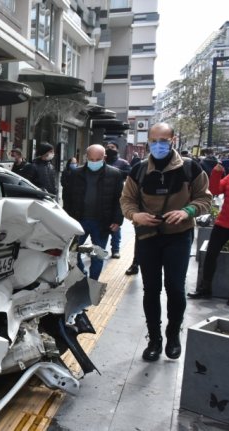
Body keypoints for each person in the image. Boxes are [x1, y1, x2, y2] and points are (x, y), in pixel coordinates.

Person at [120, 122, 211, 362]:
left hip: (178, 236)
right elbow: (127, 201)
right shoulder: (138, 170)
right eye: (154, 140)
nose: (159, 145)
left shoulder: (190, 168)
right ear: (148, 141)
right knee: (150, 289)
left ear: (173, 140)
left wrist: (188, 210)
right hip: (148, 237)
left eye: (164, 140)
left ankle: (173, 335)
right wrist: (135, 215)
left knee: (175, 288)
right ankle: (154, 338)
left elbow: (205, 198)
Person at [63, 145, 123, 280]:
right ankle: (81, 275)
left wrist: (117, 220)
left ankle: (93, 280)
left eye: (98, 159)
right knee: (72, 251)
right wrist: (66, 218)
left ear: (104, 158)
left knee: (98, 254)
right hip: (78, 221)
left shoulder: (114, 174)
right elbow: (67, 198)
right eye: (91, 159)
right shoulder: (75, 174)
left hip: (102, 222)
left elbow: (120, 199)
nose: (94, 162)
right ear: (86, 157)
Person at [188, 162, 229, 304]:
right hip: (223, 224)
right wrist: (216, 173)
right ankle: (205, 289)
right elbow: (214, 190)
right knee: (210, 255)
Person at [105, 142, 131, 259]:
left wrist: (114, 172)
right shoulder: (101, 161)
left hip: (116, 197)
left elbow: (128, 174)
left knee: (115, 226)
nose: (110, 149)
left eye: (112, 147)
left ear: (117, 149)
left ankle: (115, 249)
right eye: (108, 147)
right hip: (102, 197)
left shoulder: (123, 163)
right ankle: (98, 249)